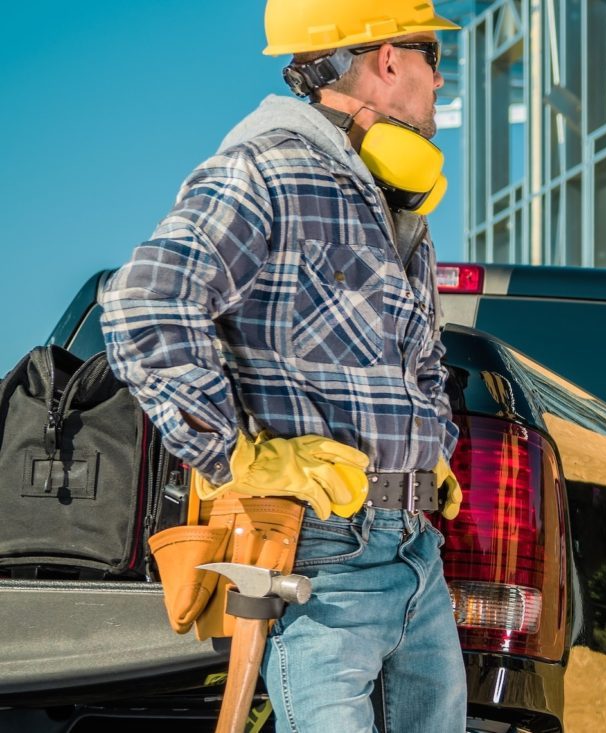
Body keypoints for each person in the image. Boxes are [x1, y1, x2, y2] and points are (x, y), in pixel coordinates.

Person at [98, 1, 468, 729]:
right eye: (434, 58)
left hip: (415, 549)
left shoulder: (391, 201)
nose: (438, 82)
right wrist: (237, 455)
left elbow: (422, 356)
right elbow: (143, 305)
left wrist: (432, 451)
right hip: (320, 551)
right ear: (389, 59)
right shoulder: (266, 169)